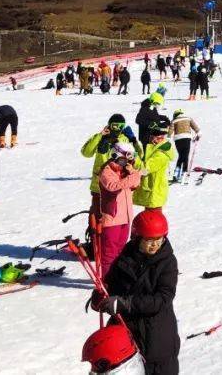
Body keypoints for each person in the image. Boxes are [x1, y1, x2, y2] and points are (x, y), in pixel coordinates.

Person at [95, 210, 180, 375]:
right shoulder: (125, 257)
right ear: (137, 237)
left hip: (157, 338)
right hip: (126, 335)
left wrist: (126, 304)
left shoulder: (167, 262)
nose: (154, 244)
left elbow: (163, 298)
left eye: (159, 239)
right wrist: (101, 298)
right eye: (149, 240)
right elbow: (111, 285)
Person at [81, 114, 141, 236]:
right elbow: (86, 153)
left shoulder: (124, 140)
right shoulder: (101, 137)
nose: (117, 129)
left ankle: (110, 238)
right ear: (109, 125)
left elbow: (138, 159)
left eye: (121, 126)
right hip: (99, 184)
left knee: (112, 216)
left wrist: (133, 141)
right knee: (97, 213)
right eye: (114, 125)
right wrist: (100, 136)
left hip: (117, 185)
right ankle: (94, 238)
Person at [97, 142, 142, 277]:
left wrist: (132, 172)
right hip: (112, 219)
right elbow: (113, 186)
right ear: (116, 155)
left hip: (126, 218)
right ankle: (107, 279)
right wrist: (132, 176)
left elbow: (135, 183)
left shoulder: (124, 172)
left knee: (121, 251)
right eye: (124, 159)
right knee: (109, 253)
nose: (126, 162)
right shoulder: (107, 171)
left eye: (129, 159)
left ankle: (117, 278)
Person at [133, 120, 176, 212]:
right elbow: (143, 159)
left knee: (153, 216)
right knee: (149, 213)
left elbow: (145, 169)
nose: (150, 138)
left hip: (155, 191)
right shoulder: (155, 150)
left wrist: (133, 157)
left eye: (152, 136)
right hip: (151, 190)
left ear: (160, 138)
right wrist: (134, 144)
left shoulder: (161, 154)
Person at [168, 109, 199, 183]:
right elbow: (196, 128)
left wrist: (168, 138)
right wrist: (198, 134)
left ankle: (176, 175)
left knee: (181, 156)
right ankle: (183, 174)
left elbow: (170, 131)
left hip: (178, 140)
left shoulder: (174, 121)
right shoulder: (188, 118)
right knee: (185, 157)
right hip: (187, 139)